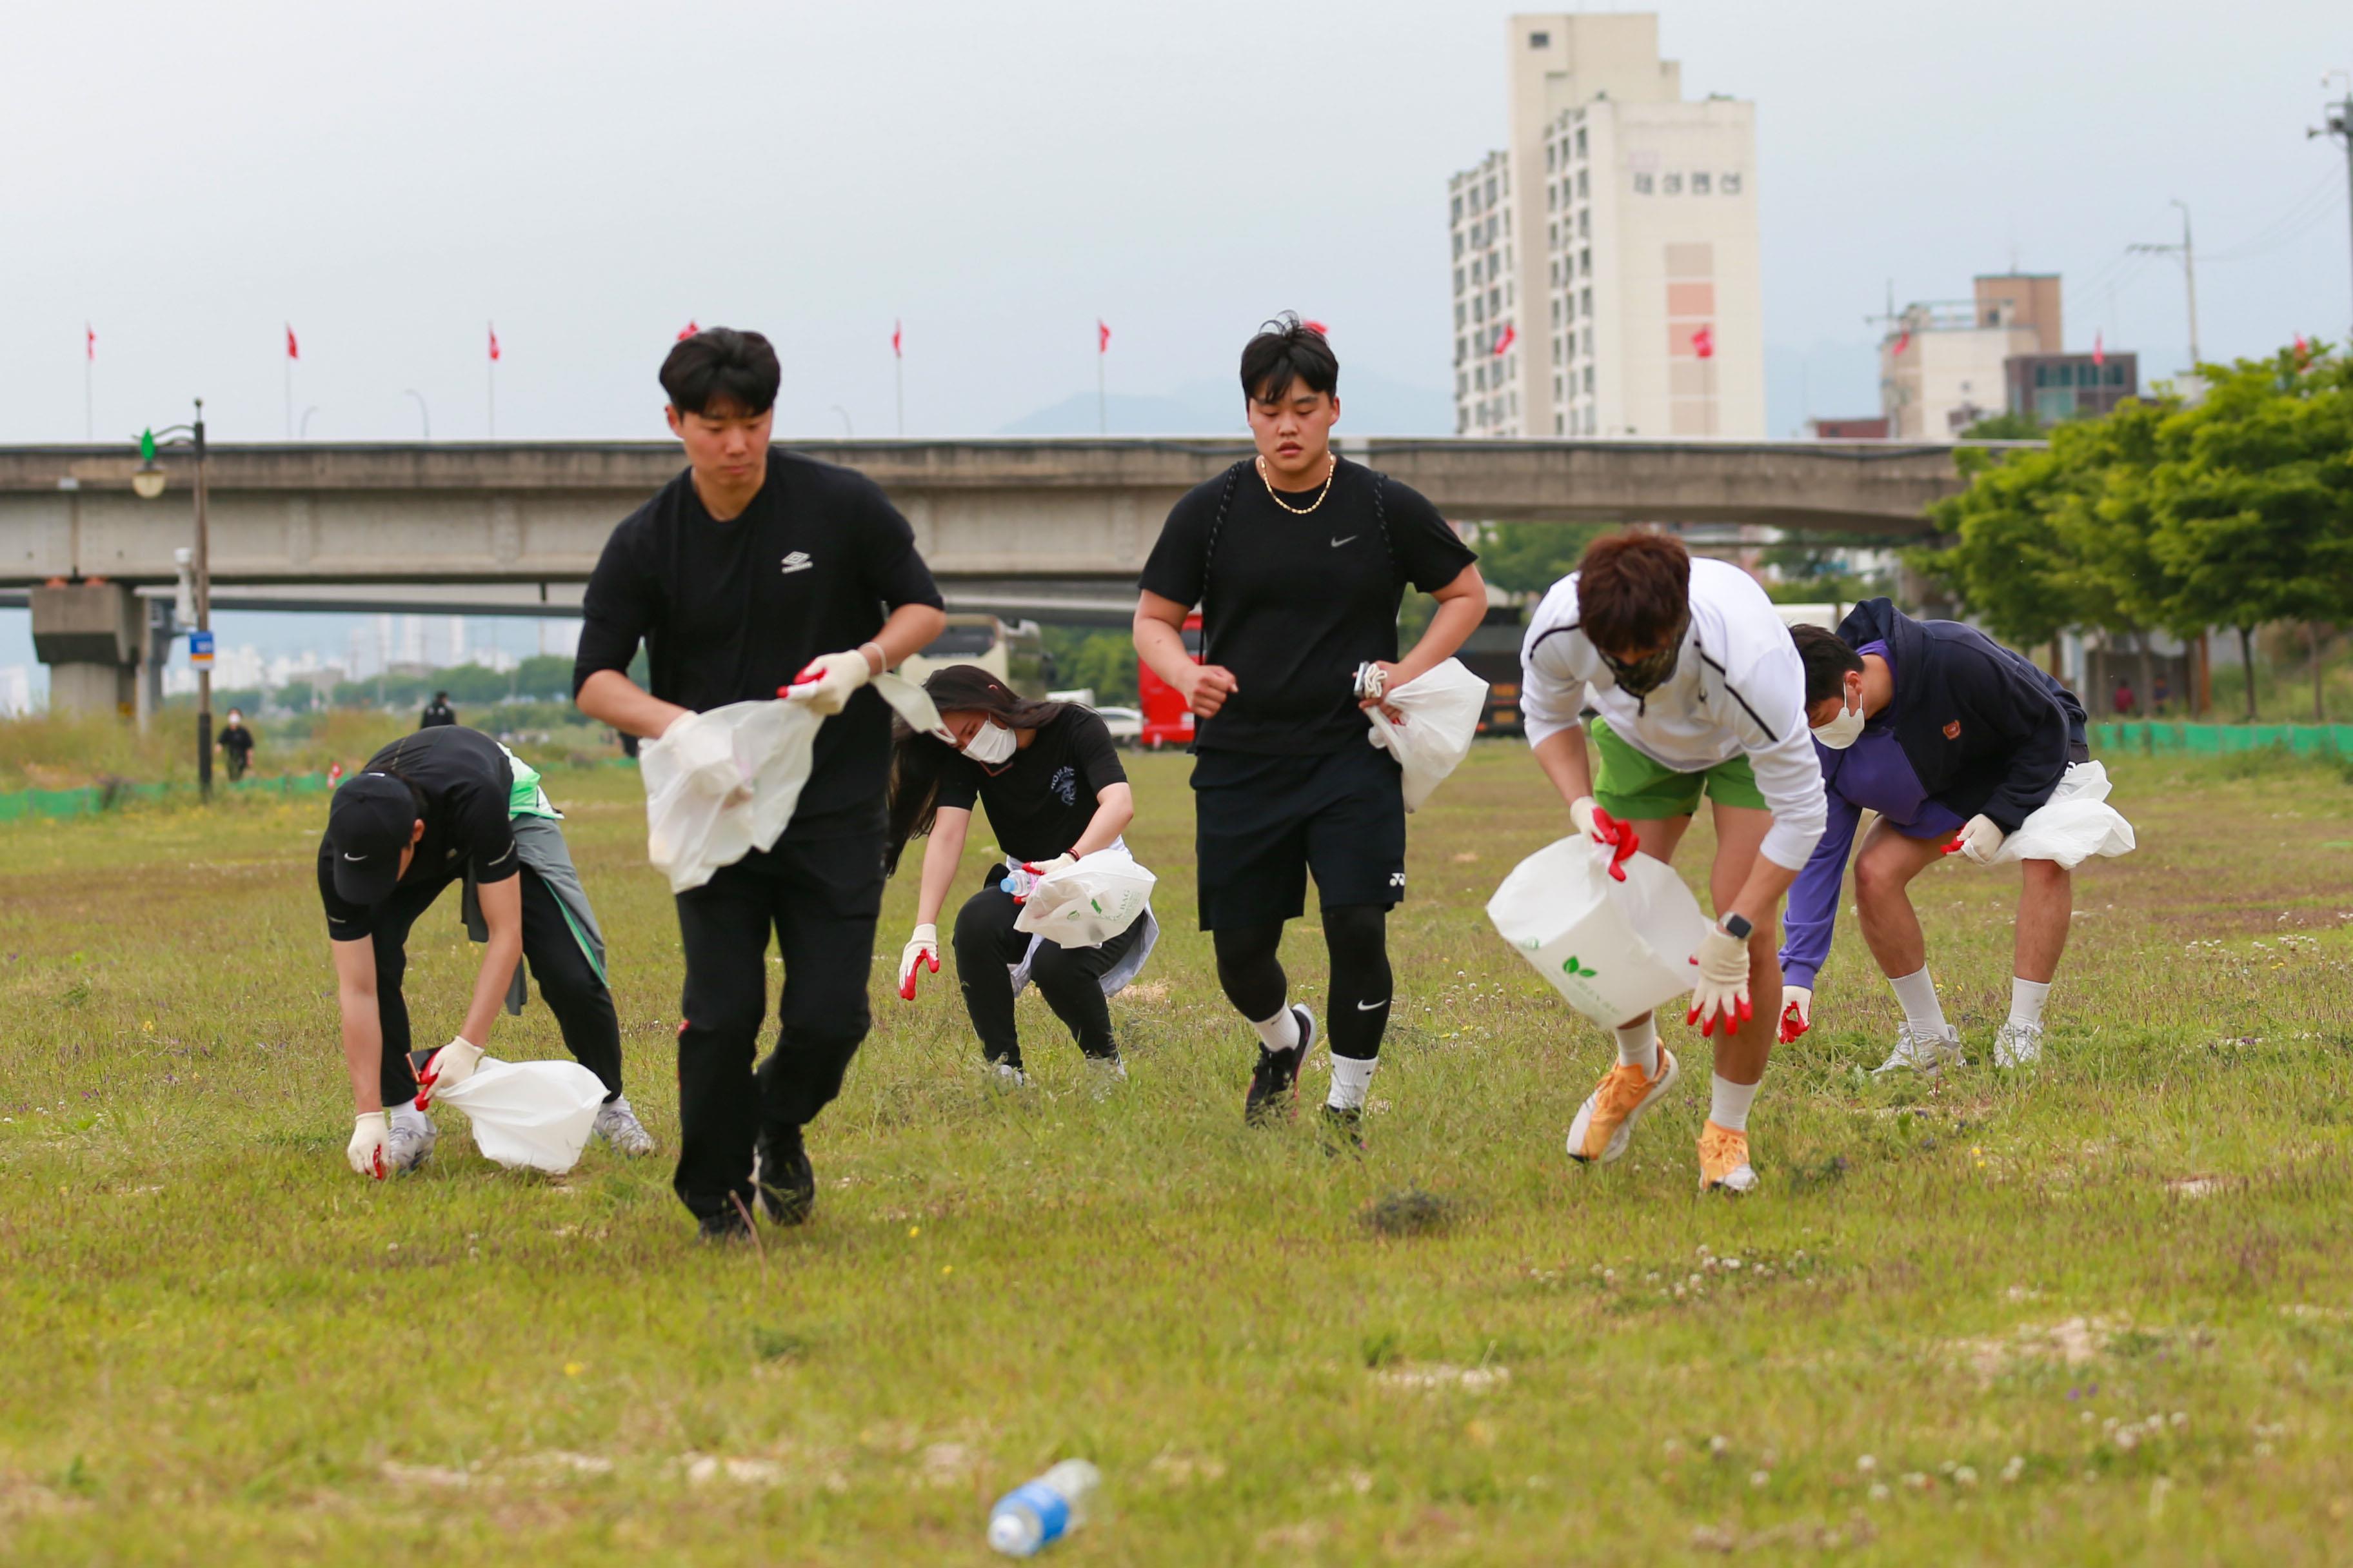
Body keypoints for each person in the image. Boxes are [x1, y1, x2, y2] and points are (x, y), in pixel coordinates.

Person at [573, 326, 946, 1243]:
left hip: (836, 802)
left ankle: (778, 1122)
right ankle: (716, 1199)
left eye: (754, 421)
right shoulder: (648, 541)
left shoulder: (839, 506)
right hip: (715, 807)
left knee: (831, 1016)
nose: (736, 444)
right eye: (714, 424)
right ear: (676, 422)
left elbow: (922, 605)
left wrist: (864, 662)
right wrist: (679, 727)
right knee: (722, 1011)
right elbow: (595, 678)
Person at [1133, 314, 1484, 1140]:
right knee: (1241, 955)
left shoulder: (1382, 504)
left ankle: (1345, 1110)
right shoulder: (1210, 512)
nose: (1286, 424)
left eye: (1302, 406)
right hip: (1240, 760)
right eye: (1268, 408)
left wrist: (1407, 671)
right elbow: (1153, 619)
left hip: (1351, 756)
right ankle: (1282, 1039)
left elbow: (1465, 592)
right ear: (1250, 414)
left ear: (1333, 408)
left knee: (1357, 924)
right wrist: (1186, 673)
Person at [1518, 531, 1825, 1195]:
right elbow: (1546, 714)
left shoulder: (1751, 667)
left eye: (1647, 659)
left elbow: (1805, 814)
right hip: (1636, 744)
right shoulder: (1560, 624)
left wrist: (1736, 927)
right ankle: (1640, 1066)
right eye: (1615, 661)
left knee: (1755, 936)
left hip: (1740, 747)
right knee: (1613, 908)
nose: (1631, 668)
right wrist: (1579, 806)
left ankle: (1726, 1132)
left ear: (1679, 621)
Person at [323, 724, 653, 1179]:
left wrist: (466, 1047)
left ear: (415, 835)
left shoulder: (474, 798)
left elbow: (507, 933)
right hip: (422, 820)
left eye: (384, 871)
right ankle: (408, 1118)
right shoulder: (347, 848)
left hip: (504, 809)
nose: (374, 885)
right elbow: (357, 988)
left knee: (569, 969)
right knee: (375, 960)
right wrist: (367, 1114)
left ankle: (610, 1103)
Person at [1780, 603, 2093, 1071]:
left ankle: (2023, 1028)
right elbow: (1821, 850)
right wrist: (1798, 973)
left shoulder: (1953, 655)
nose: (1814, 730)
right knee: (1874, 871)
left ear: (1853, 683)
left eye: (1817, 715)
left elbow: (2044, 729)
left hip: (2037, 748)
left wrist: (2001, 816)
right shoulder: (1826, 743)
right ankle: (1930, 1039)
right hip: (1946, 779)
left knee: (2047, 854)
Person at [885, 666, 1151, 1088]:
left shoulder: (1075, 725)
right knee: (975, 921)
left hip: (1099, 879)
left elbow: (1119, 804)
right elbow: (948, 833)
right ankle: (1005, 1070)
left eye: (971, 729)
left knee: (1056, 965)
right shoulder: (968, 757)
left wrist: (1070, 859)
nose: (969, 746)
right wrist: (923, 926)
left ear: (994, 696)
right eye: (957, 740)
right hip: (1029, 883)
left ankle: (1105, 1066)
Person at [217, 708, 255, 782]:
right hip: (230, 758)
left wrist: (250, 759)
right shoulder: (226, 731)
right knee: (231, 775)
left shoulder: (244, 732)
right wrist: (219, 748)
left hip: (241, 758)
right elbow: (220, 742)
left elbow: (249, 747)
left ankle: (237, 787)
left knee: (238, 775)